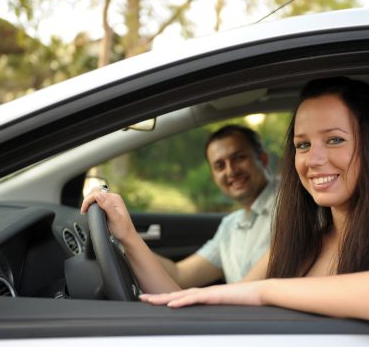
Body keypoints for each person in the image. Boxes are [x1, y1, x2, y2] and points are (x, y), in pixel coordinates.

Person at [134, 77, 369, 332]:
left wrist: (268, 292)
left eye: (335, 140)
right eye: (303, 144)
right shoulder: (302, 243)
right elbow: (214, 307)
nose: (313, 159)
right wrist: (126, 237)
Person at [81, 124, 276, 292]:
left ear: (263, 159)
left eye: (239, 157)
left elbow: (245, 296)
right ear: (214, 176)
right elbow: (180, 275)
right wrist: (121, 241)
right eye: (219, 166)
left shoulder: (293, 207)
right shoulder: (230, 226)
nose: (231, 171)